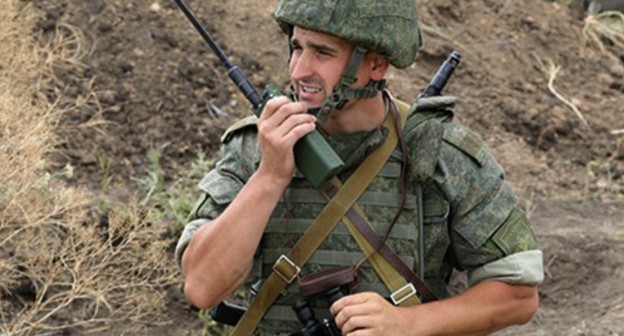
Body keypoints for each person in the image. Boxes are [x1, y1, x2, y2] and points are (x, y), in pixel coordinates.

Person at [175, 0, 544, 335]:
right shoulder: (257, 145)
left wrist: (408, 324)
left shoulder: (440, 153)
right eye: (297, 47)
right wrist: (270, 176)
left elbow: (517, 297)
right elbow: (202, 287)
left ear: (376, 64)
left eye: (322, 53)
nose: (300, 70)